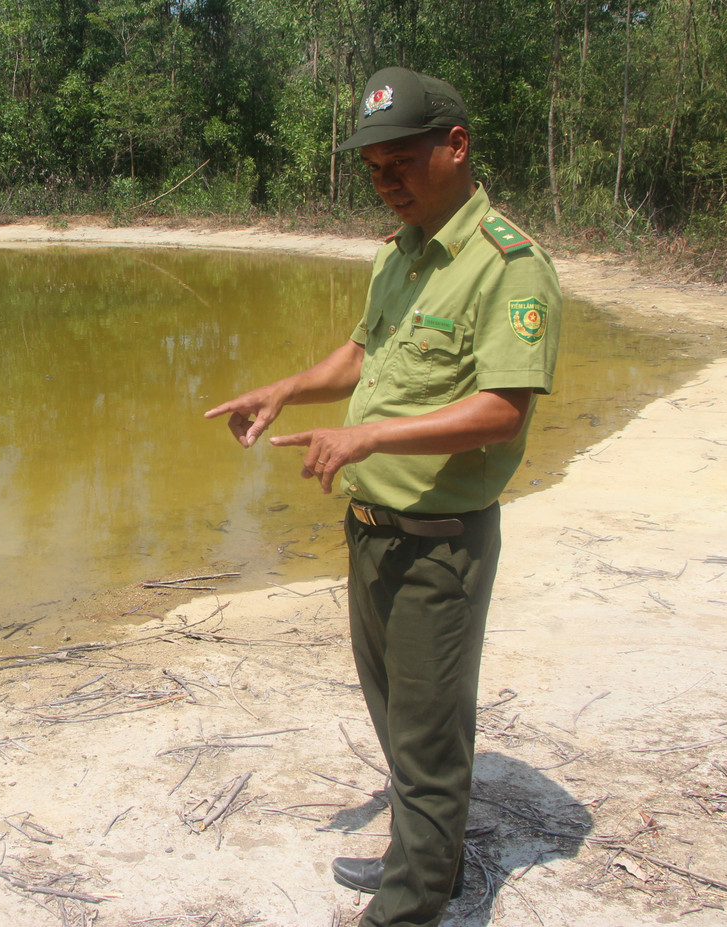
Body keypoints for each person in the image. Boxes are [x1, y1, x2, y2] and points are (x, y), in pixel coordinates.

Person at [204, 66, 561, 927]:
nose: (386, 182)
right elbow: (363, 353)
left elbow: (501, 412)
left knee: (430, 739)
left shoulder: (510, 268)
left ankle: (408, 908)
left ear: (457, 145)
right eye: (373, 170)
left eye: (401, 161)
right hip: (371, 532)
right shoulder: (396, 259)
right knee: (399, 722)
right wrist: (287, 387)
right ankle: (417, 861)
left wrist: (364, 437)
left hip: (441, 540)